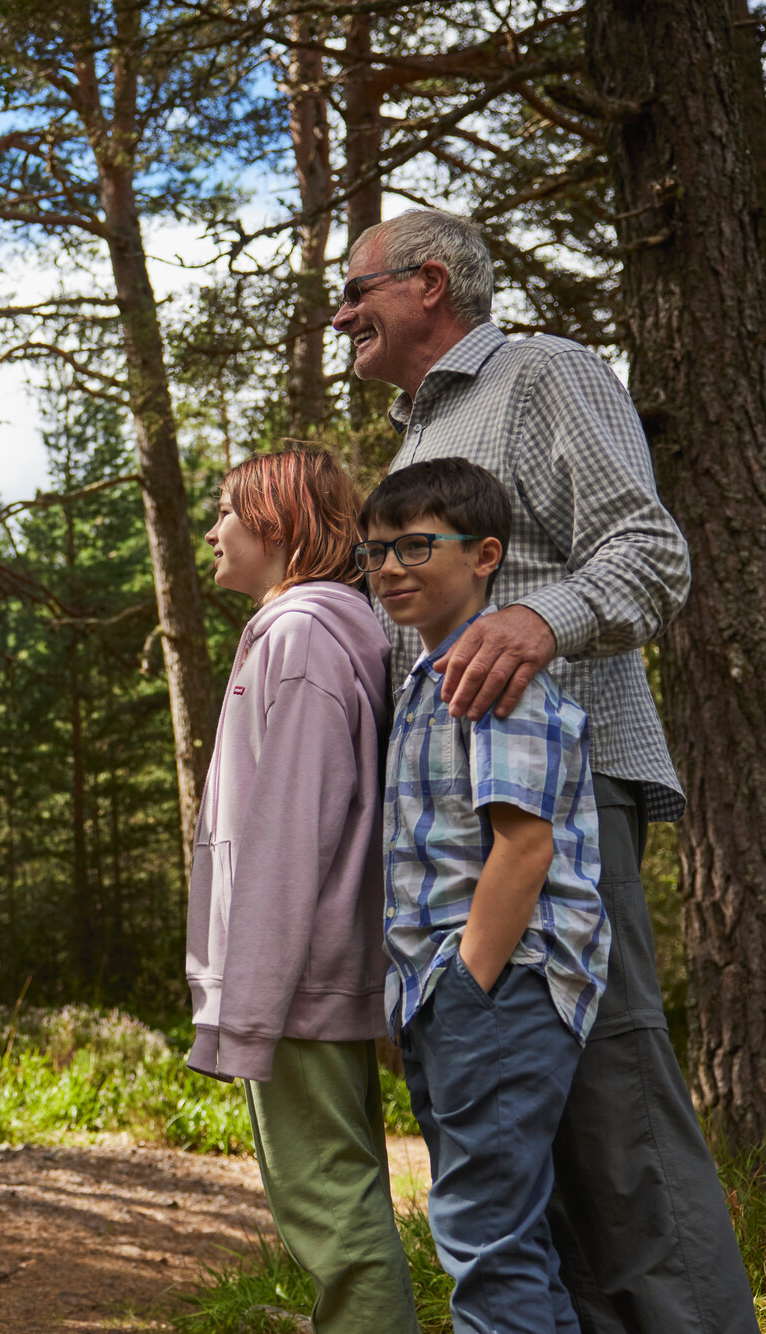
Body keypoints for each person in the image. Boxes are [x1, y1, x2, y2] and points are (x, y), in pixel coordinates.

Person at [332, 208, 754, 1334]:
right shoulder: (415, 431)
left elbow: (649, 551)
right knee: (535, 1139)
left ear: (428, 284)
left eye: (353, 287)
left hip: (562, 810)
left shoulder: (540, 373)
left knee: (612, 1109)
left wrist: (535, 616)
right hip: (461, 834)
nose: (338, 312)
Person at [362, 456, 611, 1331]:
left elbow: (525, 844)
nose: (391, 567)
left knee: (483, 1235)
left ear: (485, 555)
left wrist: (466, 984)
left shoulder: (494, 682)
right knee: (509, 1238)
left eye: (417, 546)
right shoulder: (426, 683)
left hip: (500, 990)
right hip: (449, 996)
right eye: (377, 552)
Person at [187, 448, 415, 1333]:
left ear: (275, 526)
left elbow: (290, 831)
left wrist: (253, 999)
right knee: (338, 1199)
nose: (213, 531)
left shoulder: (301, 635)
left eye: (227, 514)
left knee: (331, 1216)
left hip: (297, 981)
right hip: (311, 972)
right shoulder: (326, 626)